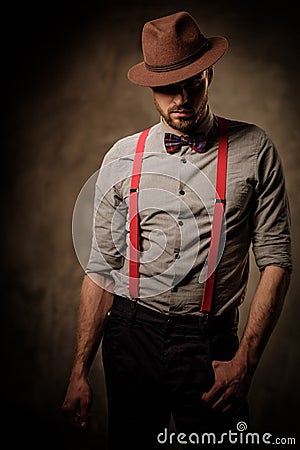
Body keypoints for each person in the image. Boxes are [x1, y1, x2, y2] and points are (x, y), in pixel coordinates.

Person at [62, 10, 292, 449]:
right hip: (130, 336)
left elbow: (277, 260)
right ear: (151, 87)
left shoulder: (255, 148)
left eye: (192, 82)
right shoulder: (122, 157)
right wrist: (78, 372)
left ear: (210, 74)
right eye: (167, 88)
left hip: (209, 344)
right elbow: (100, 269)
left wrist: (245, 360)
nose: (181, 98)